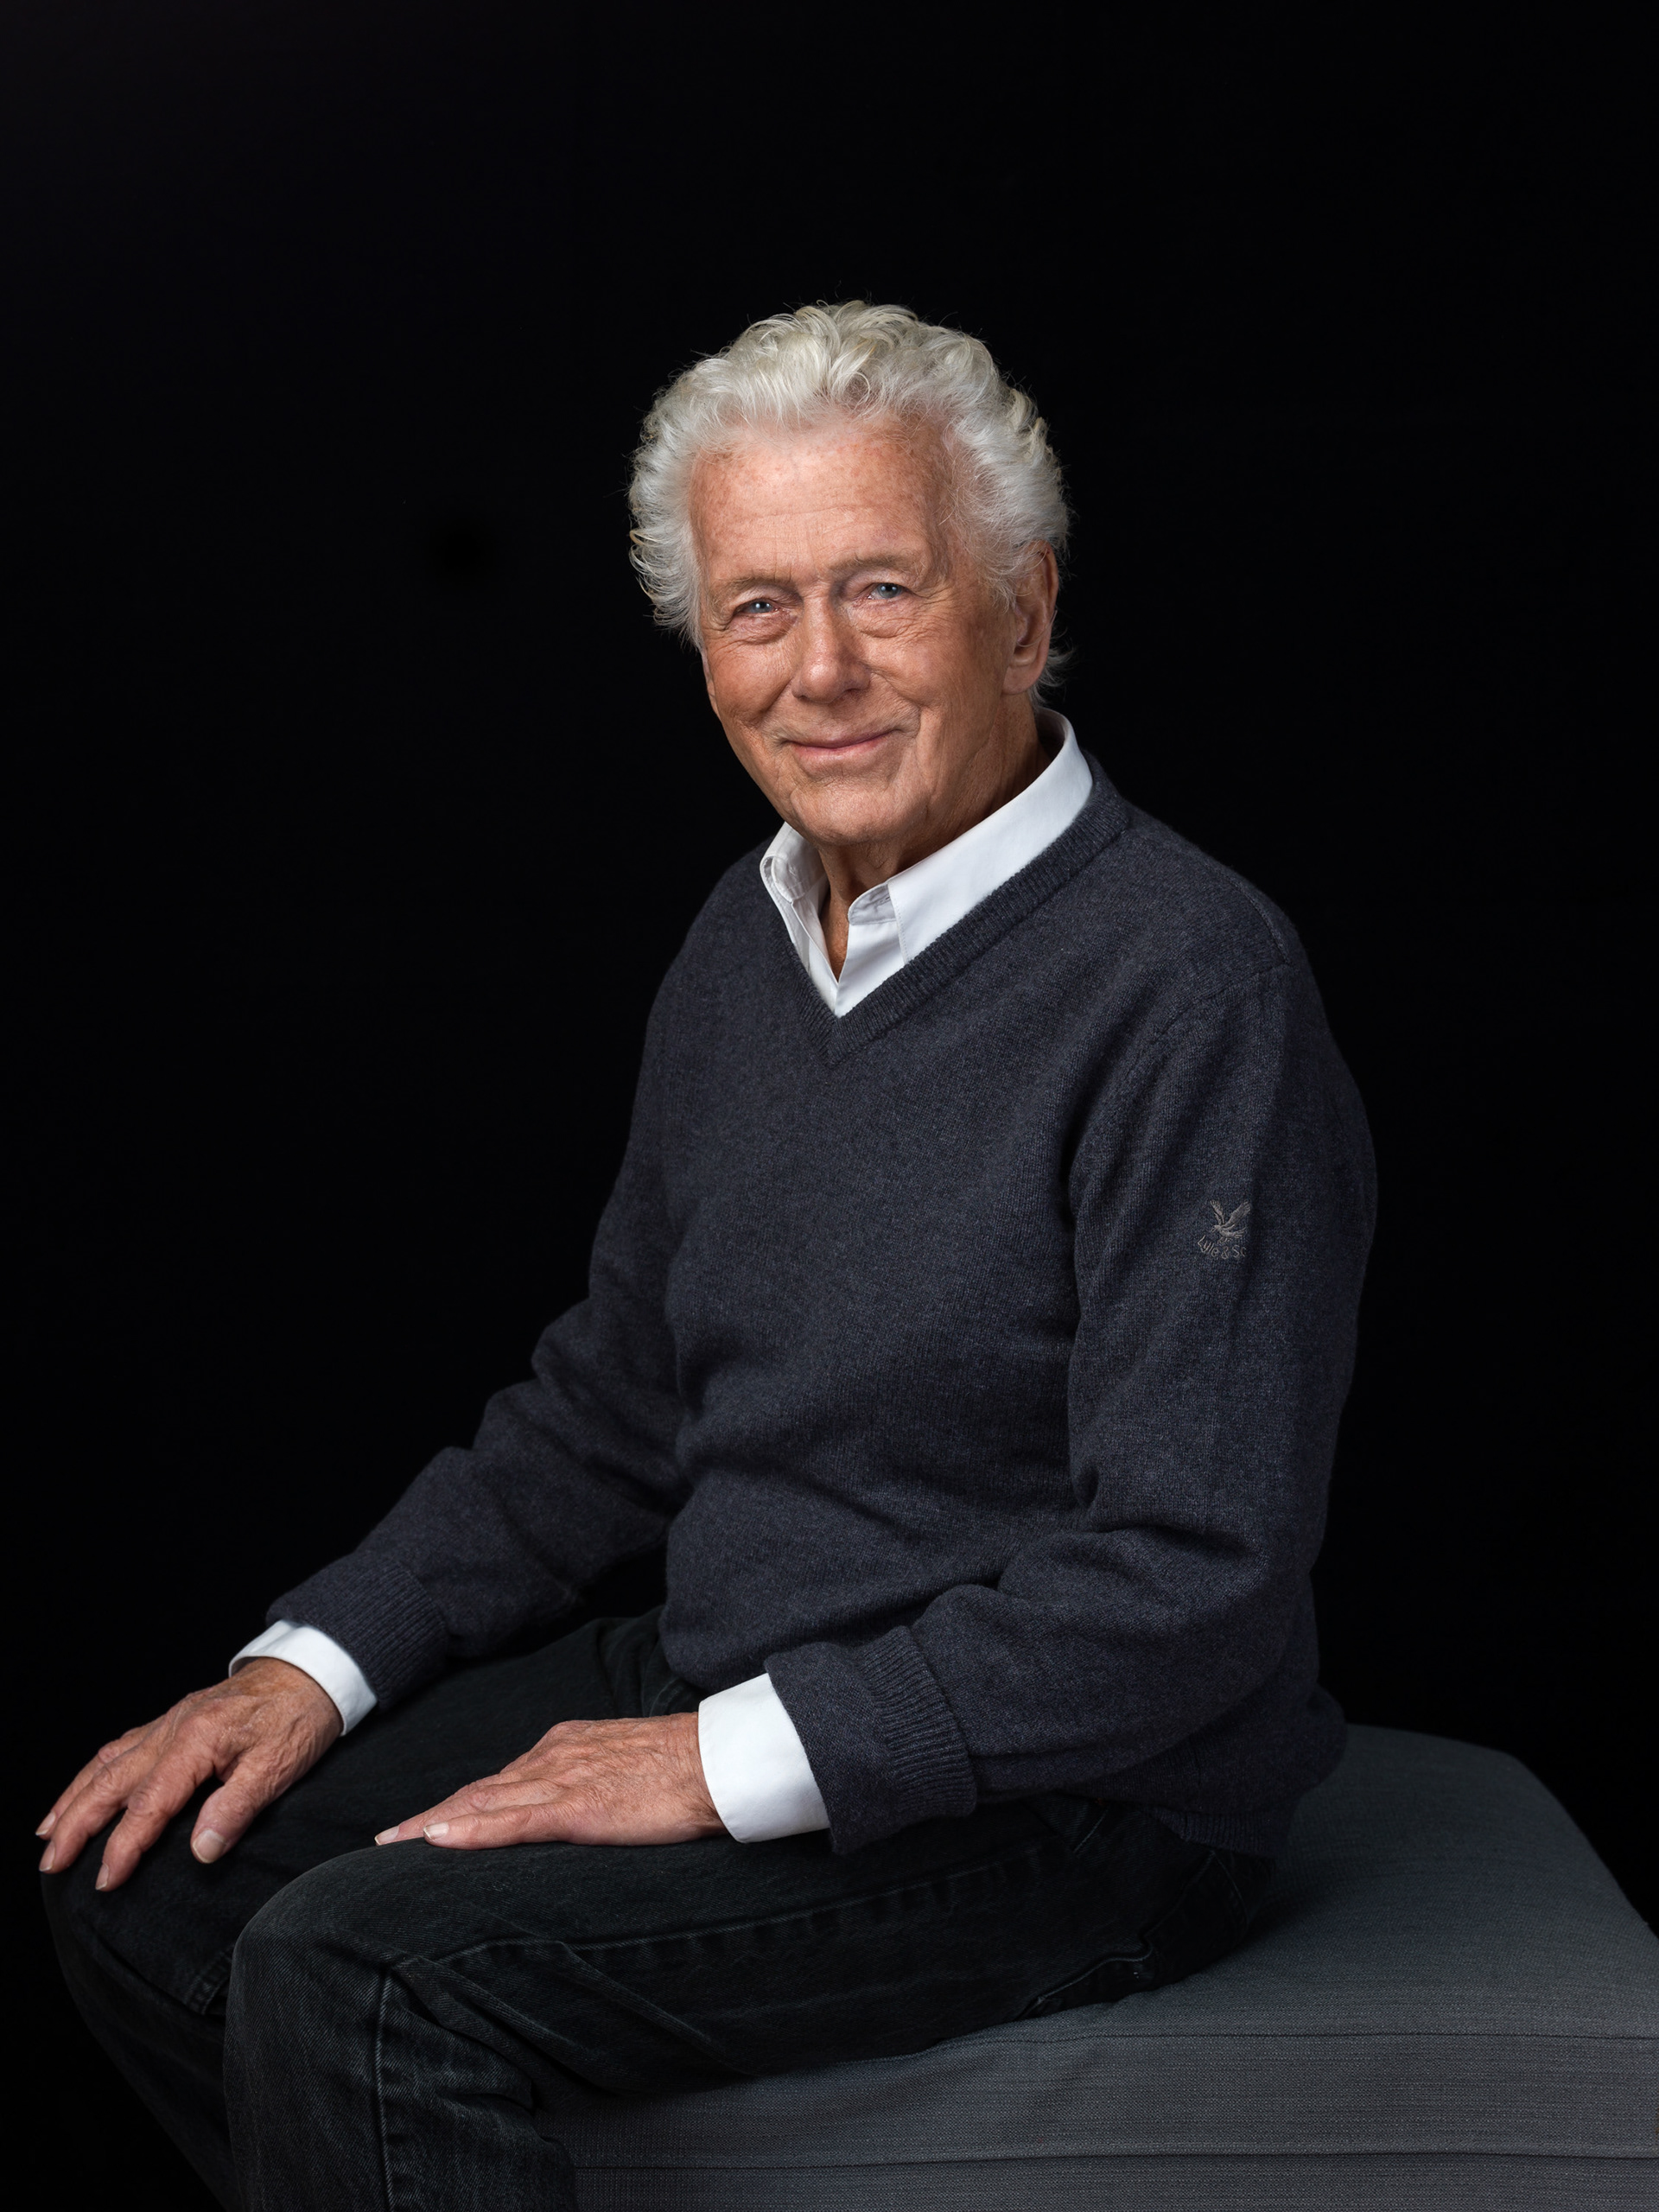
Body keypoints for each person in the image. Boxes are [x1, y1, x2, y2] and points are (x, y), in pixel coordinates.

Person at [41, 302, 1375, 2211]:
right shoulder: (744, 944)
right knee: (146, 1881)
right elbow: (610, 1406)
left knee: (365, 1973)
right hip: (746, 1667)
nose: (820, 670)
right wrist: (308, 1669)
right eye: (760, 608)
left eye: (883, 590)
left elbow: (1195, 1578)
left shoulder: (1193, 984)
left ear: (1019, 613)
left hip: (1085, 1797)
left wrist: (713, 1760)